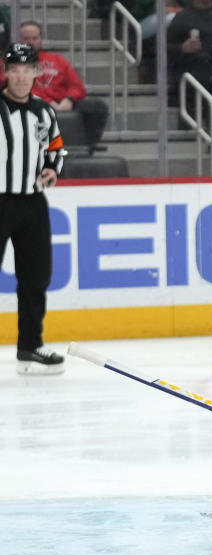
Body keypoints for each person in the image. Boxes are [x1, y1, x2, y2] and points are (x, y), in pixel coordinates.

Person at [0, 43, 65, 375]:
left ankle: (29, 346)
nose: (22, 77)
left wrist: (52, 168)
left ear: (36, 73)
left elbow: (55, 146)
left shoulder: (44, 111)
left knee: (35, 277)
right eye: (15, 70)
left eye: (28, 70)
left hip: (32, 203)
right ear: (6, 72)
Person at [13, 22, 109, 152]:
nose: (31, 42)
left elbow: (77, 86)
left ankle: (86, 146)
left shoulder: (56, 60)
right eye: (26, 38)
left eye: (35, 38)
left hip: (62, 102)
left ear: (40, 39)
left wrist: (69, 99)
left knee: (96, 106)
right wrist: (48, 102)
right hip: (32, 103)